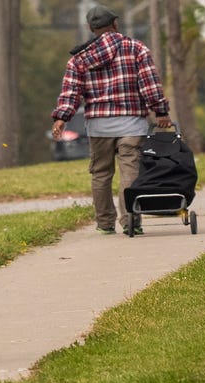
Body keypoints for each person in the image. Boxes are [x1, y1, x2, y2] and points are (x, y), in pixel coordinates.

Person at [50, 4, 171, 236]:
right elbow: (150, 85)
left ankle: (105, 223)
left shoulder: (80, 59)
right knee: (130, 172)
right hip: (132, 124)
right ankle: (131, 221)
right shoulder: (136, 49)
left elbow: (71, 92)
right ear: (115, 24)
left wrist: (61, 118)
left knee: (101, 174)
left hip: (98, 127)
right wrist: (161, 112)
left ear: (90, 28)